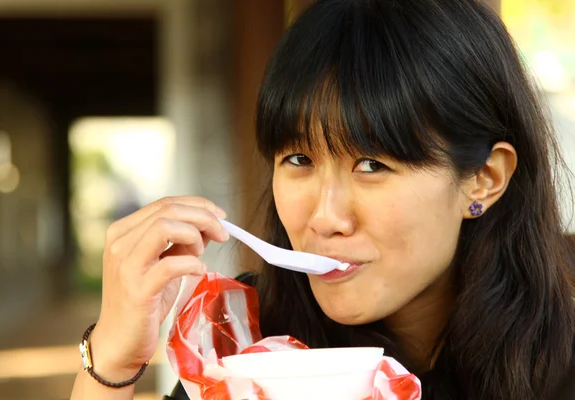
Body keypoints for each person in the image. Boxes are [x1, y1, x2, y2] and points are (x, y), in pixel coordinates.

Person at [70, 0, 575, 399]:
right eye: (298, 160)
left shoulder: (560, 361)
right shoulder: (245, 338)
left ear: (484, 178)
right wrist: (112, 360)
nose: (324, 217)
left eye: (372, 165)